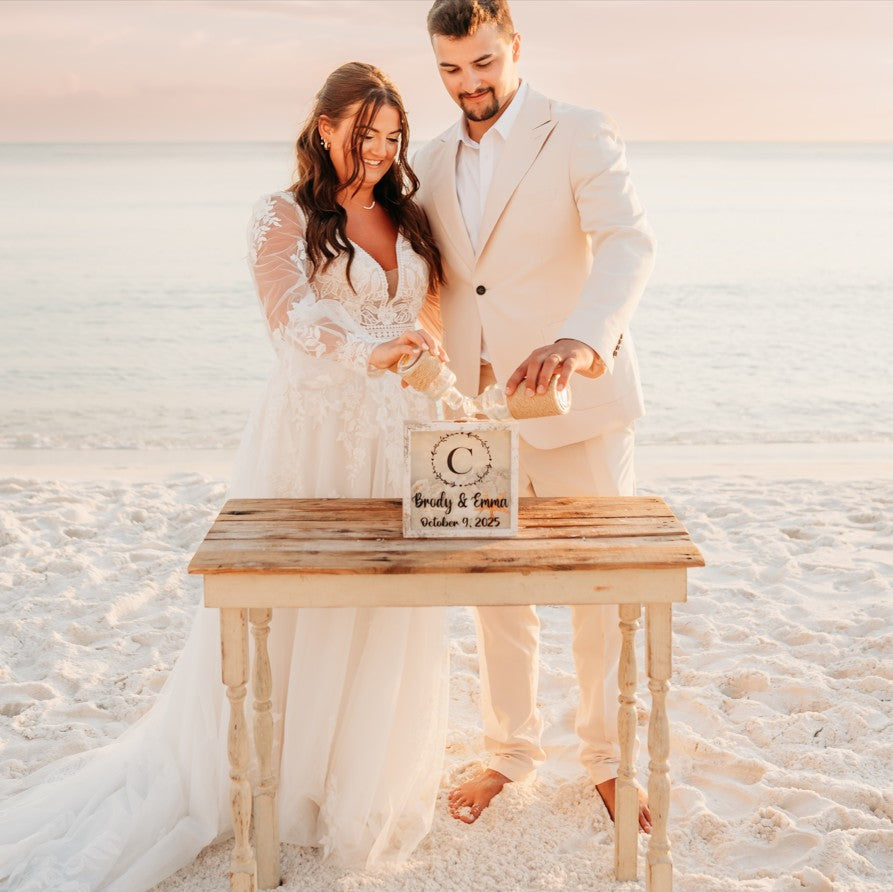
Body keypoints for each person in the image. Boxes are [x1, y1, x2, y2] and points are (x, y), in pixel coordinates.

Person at [0, 62, 450, 889]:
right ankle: (272, 777)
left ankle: (344, 781)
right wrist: (368, 352)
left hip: (397, 437)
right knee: (292, 607)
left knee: (385, 602)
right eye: (364, 134)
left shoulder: (407, 214)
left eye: (392, 137)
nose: (380, 151)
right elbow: (290, 323)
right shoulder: (280, 215)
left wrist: (426, 348)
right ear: (324, 128)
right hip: (314, 437)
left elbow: (426, 309)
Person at [413, 0, 656, 830]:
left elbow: (627, 242)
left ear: (513, 47)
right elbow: (445, 283)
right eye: (450, 69)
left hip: (576, 397)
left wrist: (581, 341)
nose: (468, 85)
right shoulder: (431, 157)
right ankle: (507, 753)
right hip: (474, 413)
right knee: (494, 591)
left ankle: (610, 761)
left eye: (482, 63)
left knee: (599, 593)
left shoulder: (578, 129)